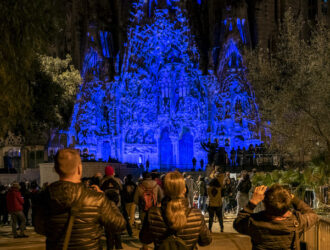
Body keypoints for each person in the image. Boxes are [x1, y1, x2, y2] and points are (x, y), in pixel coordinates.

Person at [34, 149, 126, 250]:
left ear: (56, 169)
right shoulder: (97, 199)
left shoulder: (44, 196)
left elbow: (39, 228)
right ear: (79, 169)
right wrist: (107, 200)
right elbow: (119, 225)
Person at [139, 171, 212, 249]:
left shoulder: (153, 214)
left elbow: (144, 239)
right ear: (184, 190)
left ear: (164, 190)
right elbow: (206, 241)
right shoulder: (196, 215)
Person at [234, 184, 319, 249]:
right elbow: (312, 215)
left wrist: (253, 201)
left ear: (264, 204)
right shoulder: (297, 222)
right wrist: (294, 199)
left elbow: (238, 223)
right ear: (287, 205)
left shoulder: (254, 222)